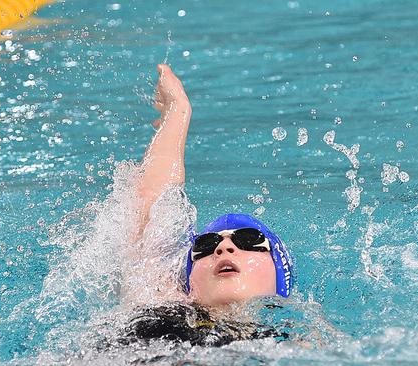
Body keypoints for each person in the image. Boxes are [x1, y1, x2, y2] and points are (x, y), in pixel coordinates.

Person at [118, 63, 295, 347]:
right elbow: (153, 204)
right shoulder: (164, 306)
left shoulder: (296, 342)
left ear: (280, 272)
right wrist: (179, 111)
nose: (223, 248)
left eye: (249, 240)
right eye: (205, 245)